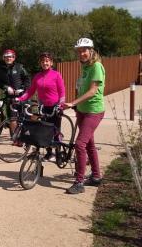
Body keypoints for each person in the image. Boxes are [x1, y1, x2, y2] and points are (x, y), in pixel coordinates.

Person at [63, 37, 105, 195]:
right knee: (89, 144)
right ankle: (95, 176)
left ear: (91, 51)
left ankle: (79, 182)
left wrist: (73, 102)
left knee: (80, 144)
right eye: (79, 51)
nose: (81, 53)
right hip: (82, 110)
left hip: (93, 111)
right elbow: (80, 87)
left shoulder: (96, 67)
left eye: (84, 51)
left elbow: (93, 91)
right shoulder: (85, 68)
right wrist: (75, 106)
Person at [17, 52, 65, 161]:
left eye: (47, 61)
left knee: (56, 131)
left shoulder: (56, 75)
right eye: (43, 61)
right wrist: (19, 99)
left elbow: (62, 92)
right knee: (44, 131)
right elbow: (30, 91)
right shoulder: (37, 76)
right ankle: (49, 153)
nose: (45, 63)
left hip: (55, 107)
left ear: (51, 63)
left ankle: (58, 153)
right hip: (43, 107)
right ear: (40, 63)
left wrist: (61, 105)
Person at [0, 49, 30, 138]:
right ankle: (15, 137)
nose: (8, 58)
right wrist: (6, 87)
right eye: (6, 57)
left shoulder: (20, 67)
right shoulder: (0, 69)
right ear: (4, 58)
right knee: (12, 118)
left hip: (22, 96)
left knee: (24, 117)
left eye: (10, 57)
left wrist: (22, 88)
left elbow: (27, 80)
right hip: (10, 97)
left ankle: (26, 136)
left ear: (14, 58)